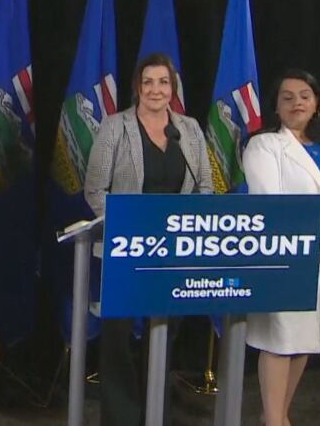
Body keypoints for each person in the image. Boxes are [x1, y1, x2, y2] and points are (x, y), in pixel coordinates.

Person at [83, 52, 214, 426]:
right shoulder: (115, 127)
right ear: (137, 87)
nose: (156, 90)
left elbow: (204, 186)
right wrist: (128, 226)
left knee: (165, 333)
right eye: (148, 82)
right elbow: (95, 190)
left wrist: (190, 226)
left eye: (163, 82)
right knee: (119, 338)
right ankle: (122, 417)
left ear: (173, 88)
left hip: (173, 250)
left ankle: (156, 413)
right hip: (126, 248)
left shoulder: (188, 129)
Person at [242, 69, 320, 426]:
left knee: (305, 339)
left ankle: (278, 415)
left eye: (304, 96)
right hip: (286, 256)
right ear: (276, 106)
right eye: (287, 97)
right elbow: (269, 208)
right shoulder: (264, 146)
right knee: (280, 339)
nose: (297, 103)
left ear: (316, 102)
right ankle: (275, 420)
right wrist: (312, 248)